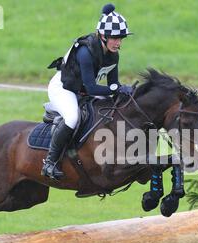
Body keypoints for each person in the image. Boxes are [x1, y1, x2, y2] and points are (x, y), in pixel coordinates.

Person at [42, 3, 134, 180]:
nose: (118, 42)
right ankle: (50, 162)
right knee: (72, 118)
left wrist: (124, 92)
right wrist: (117, 89)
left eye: (121, 38)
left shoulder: (113, 54)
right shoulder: (86, 52)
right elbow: (93, 88)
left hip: (83, 90)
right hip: (63, 88)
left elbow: (113, 84)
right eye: (114, 38)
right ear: (102, 35)